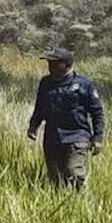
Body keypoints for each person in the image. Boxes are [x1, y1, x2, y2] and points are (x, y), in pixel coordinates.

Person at [27, 47, 105, 190]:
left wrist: (98, 138)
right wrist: (33, 126)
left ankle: (82, 202)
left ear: (66, 64)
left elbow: (97, 113)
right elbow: (40, 107)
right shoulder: (46, 83)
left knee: (74, 172)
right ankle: (61, 204)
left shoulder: (83, 84)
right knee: (55, 178)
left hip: (77, 137)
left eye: (54, 63)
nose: (50, 67)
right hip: (52, 137)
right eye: (49, 63)